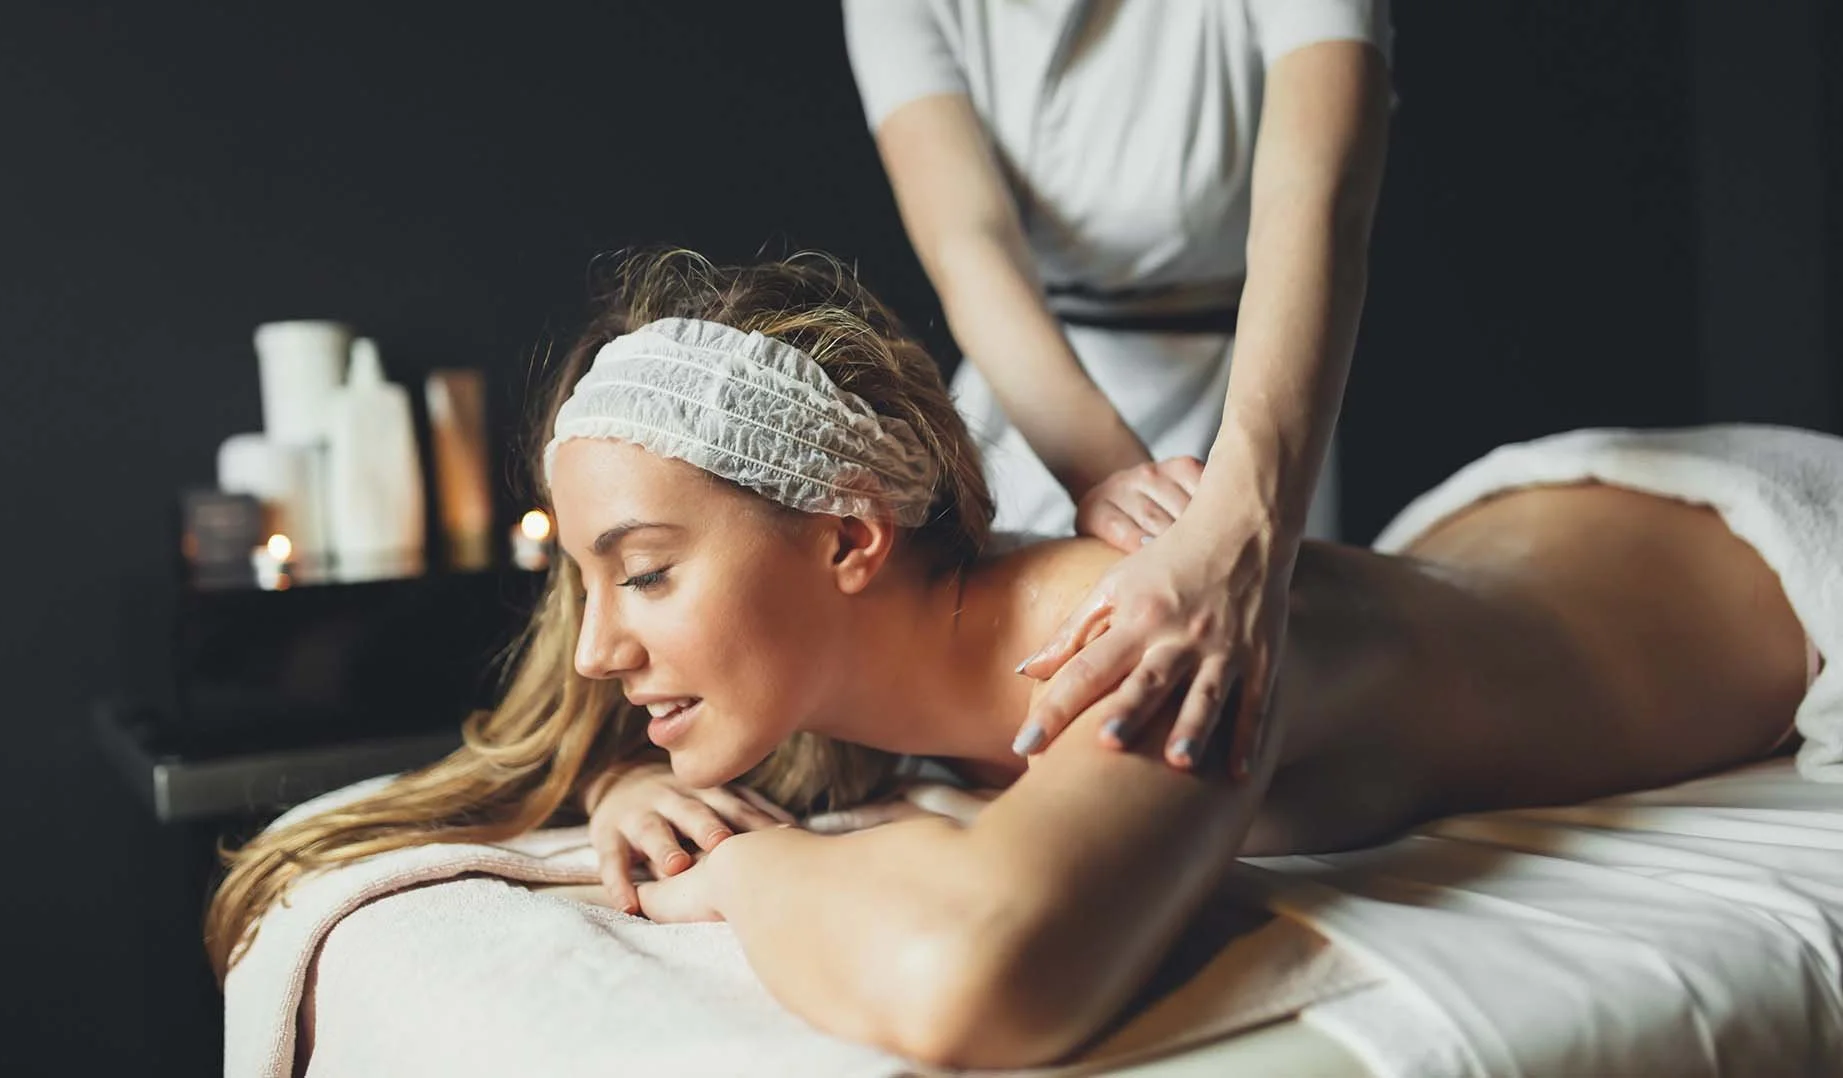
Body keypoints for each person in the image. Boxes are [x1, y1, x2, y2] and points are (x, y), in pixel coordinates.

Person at [208, 254, 1817, 1070]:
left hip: (1769, 547)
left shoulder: (1131, 634)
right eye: (586, 580)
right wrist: (635, 781)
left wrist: (742, 882)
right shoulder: (891, 674)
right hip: (1518, 521)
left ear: (851, 538)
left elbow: (970, 980)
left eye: (644, 570)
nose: (608, 641)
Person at [843, 0, 1394, 774]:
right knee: (988, 724)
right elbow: (969, 245)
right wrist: (1109, 478)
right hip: (1037, 395)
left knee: (1205, 731)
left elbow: (1314, 203)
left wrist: (1241, 528)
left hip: (1258, 391)